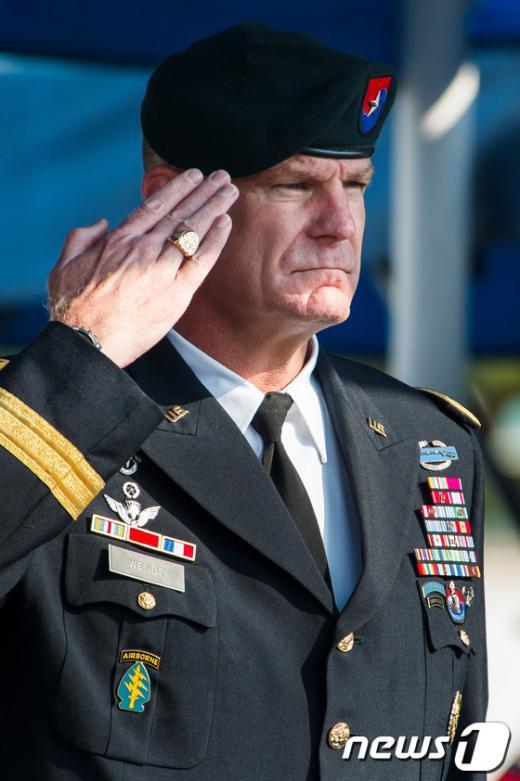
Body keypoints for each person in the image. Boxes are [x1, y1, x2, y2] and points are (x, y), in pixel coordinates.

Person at [0, 22, 486, 781]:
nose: (340, 225)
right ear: (171, 203)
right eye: (295, 185)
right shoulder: (59, 411)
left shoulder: (431, 445)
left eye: (356, 185)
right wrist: (80, 357)